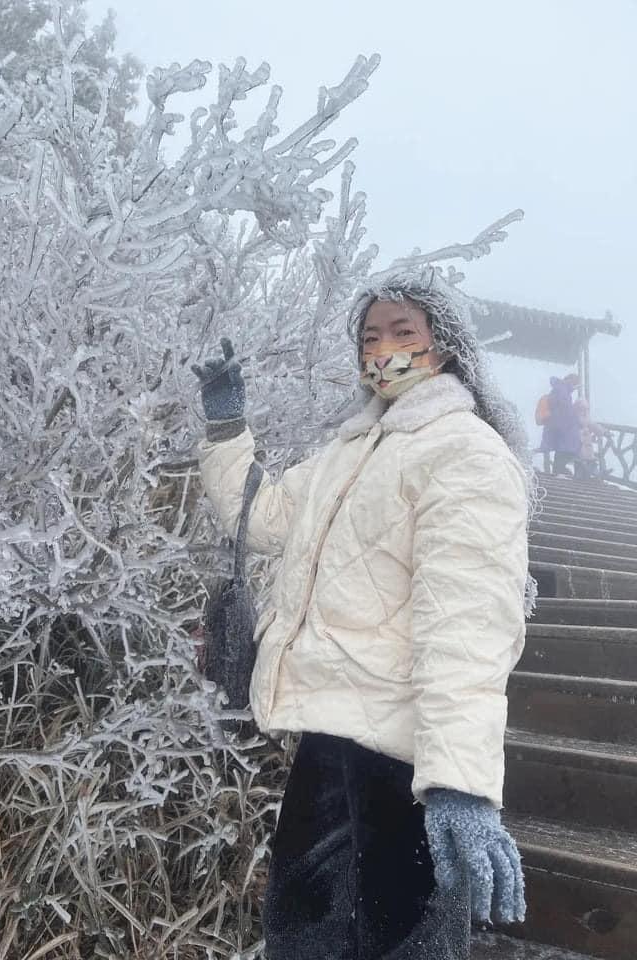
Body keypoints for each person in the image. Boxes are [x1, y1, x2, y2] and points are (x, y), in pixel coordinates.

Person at [192, 270, 535, 960]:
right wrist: (228, 427)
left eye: (403, 332)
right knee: (302, 936)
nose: (384, 350)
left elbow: (468, 628)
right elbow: (259, 518)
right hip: (331, 743)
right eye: (371, 337)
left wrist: (459, 783)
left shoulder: (465, 454)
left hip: (406, 766)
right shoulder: (347, 454)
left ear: (446, 348)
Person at [538, 374, 582, 477]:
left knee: (562, 451)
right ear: (570, 380)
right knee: (567, 450)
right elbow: (564, 410)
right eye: (576, 383)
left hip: (557, 427)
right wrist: (574, 419)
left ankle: (559, 472)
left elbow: (561, 409)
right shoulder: (562, 390)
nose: (575, 387)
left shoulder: (559, 388)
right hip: (562, 428)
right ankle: (561, 473)